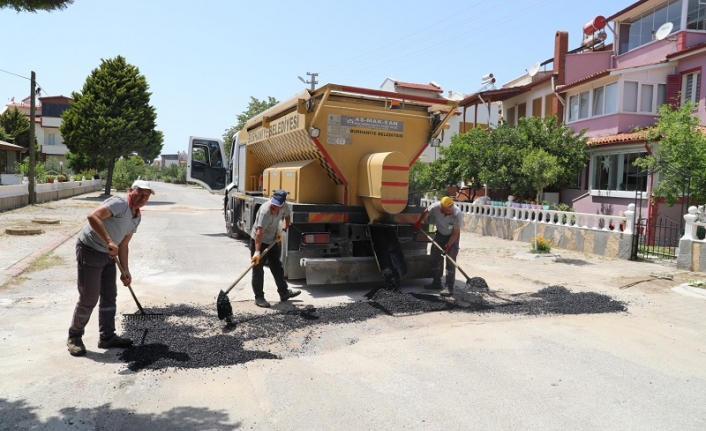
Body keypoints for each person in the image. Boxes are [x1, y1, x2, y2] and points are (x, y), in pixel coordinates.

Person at [66, 180, 155, 357]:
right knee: (89, 297)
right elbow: (93, 217)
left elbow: (123, 244)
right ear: (131, 190)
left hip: (108, 254)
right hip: (90, 249)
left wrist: (126, 270)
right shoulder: (119, 203)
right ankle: (74, 336)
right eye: (140, 194)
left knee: (109, 295)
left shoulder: (136, 216)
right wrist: (108, 241)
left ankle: (107, 337)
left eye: (146, 196)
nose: (143, 198)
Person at [249, 189, 301, 308]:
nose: (273, 207)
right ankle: (259, 297)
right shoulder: (265, 211)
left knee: (277, 266)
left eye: (276, 206)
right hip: (259, 241)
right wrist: (257, 252)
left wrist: (283, 229)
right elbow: (259, 233)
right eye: (273, 204)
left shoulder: (284, 207)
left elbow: (288, 217)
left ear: (282, 205)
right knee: (258, 269)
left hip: (272, 240)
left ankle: (283, 292)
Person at [414, 196, 464, 297]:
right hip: (440, 235)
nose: (450, 211)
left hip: (452, 237)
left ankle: (449, 287)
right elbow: (426, 211)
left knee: (450, 261)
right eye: (447, 210)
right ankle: (436, 283)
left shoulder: (457, 213)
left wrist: (448, 246)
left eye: (451, 209)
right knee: (434, 258)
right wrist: (420, 222)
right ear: (442, 209)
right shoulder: (435, 207)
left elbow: (455, 233)